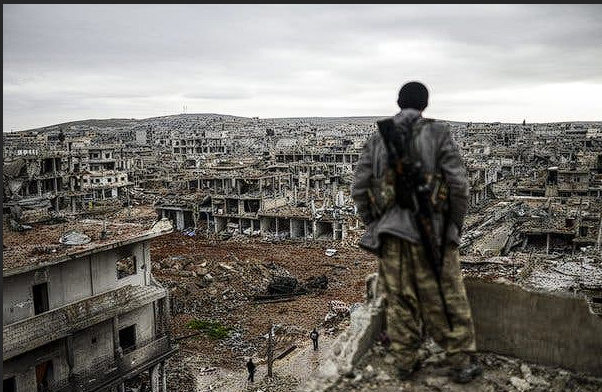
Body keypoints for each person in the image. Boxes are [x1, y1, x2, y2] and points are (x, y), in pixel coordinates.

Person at [352, 81, 482, 383]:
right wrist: (453, 227)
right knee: (446, 296)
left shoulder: (378, 138)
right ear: (425, 105)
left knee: (400, 298)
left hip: (392, 236)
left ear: (398, 102)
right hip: (432, 233)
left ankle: (405, 361)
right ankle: (461, 362)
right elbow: (459, 186)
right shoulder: (439, 134)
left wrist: (376, 224)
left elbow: (359, 189)